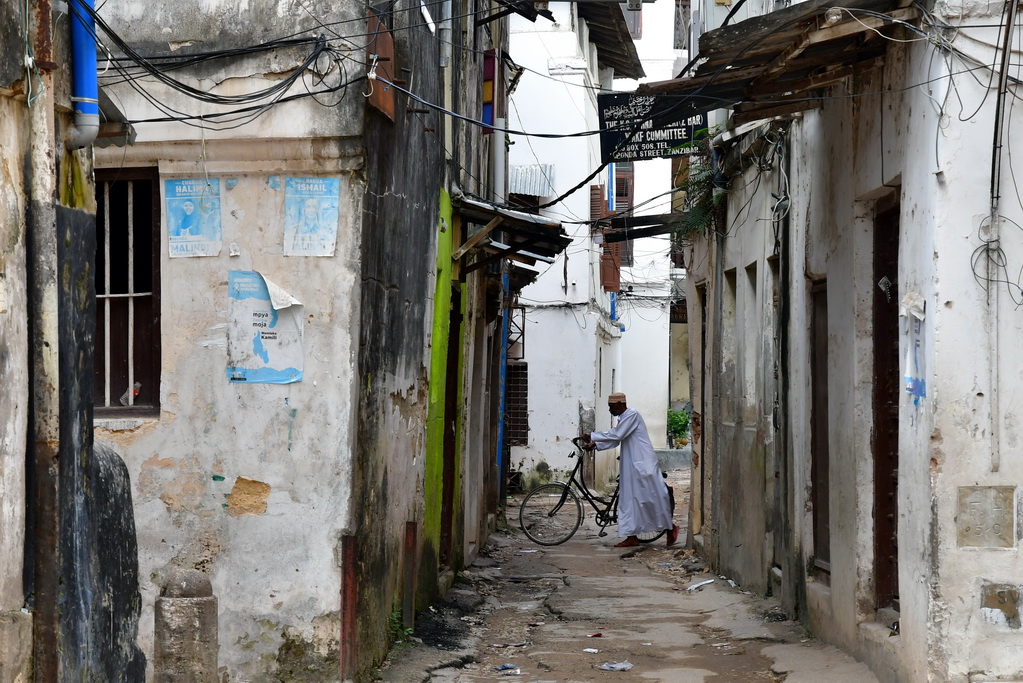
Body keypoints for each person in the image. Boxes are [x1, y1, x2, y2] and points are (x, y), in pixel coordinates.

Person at [582, 392, 679, 548]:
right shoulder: (624, 419)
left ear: (620, 404)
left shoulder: (632, 414)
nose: (609, 410)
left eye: (611, 407)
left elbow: (618, 434)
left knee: (650, 499)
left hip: (643, 464)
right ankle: (632, 536)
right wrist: (597, 444)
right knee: (630, 501)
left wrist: (592, 436)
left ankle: (669, 527)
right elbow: (617, 439)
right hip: (632, 466)